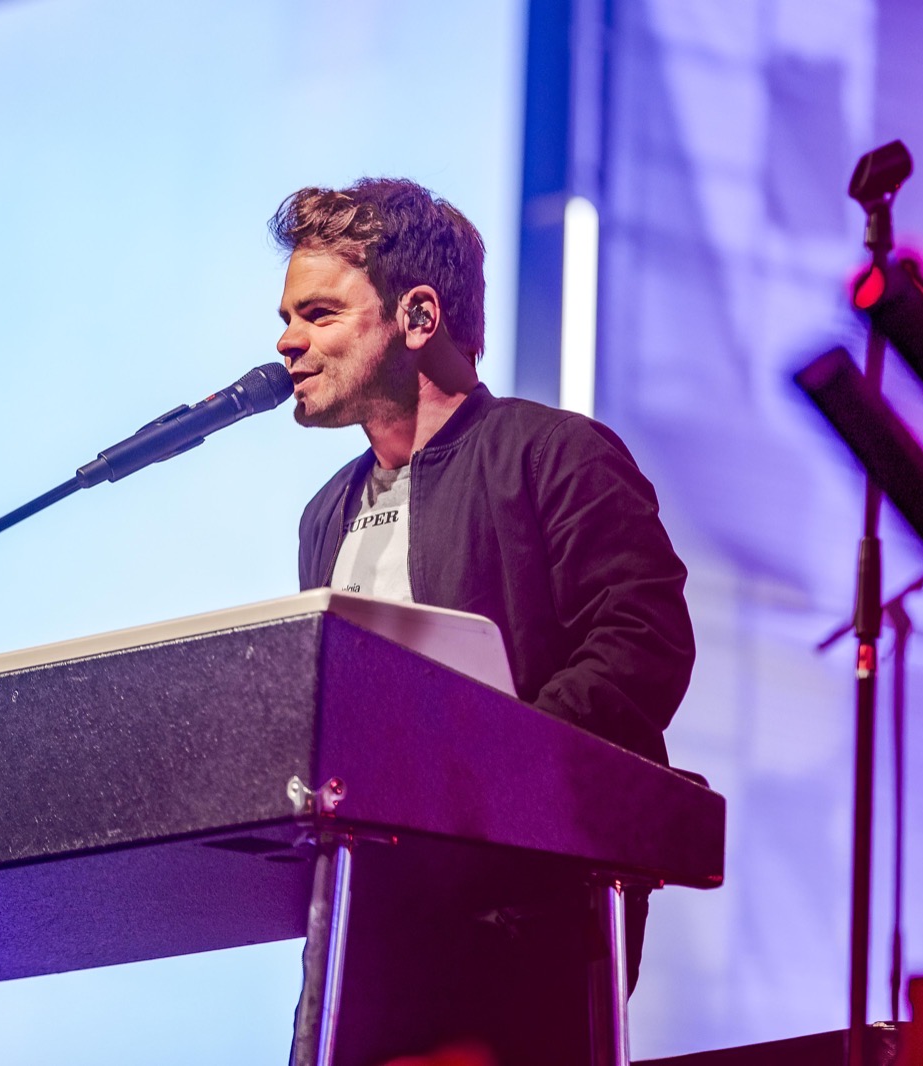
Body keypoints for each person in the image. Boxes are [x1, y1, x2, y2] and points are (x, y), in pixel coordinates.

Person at [273, 179, 695, 1065]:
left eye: (317, 313)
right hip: (363, 913)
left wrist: (486, 769)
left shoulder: (555, 455)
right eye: (288, 317)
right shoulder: (324, 514)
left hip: (531, 908)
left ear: (417, 316)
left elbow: (640, 645)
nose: (287, 342)